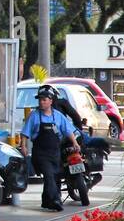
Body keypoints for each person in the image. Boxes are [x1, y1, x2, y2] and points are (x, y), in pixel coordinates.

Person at [20, 84, 80, 212]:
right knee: (49, 175)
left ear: (51, 101)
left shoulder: (58, 116)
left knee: (54, 175)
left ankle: (47, 201)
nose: (41, 102)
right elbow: (25, 133)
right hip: (40, 153)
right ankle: (55, 200)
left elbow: (68, 130)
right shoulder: (34, 116)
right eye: (40, 100)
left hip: (55, 152)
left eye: (44, 99)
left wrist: (75, 143)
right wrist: (23, 146)